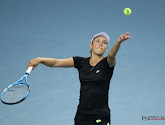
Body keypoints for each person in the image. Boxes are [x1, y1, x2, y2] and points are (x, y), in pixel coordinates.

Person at [27, 32, 133, 125]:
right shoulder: (80, 62)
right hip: (82, 116)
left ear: (106, 49)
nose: (101, 43)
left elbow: (112, 55)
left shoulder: (107, 64)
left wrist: (118, 42)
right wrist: (40, 59)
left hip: (100, 117)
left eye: (104, 43)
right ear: (91, 45)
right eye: (98, 41)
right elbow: (56, 62)